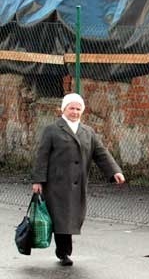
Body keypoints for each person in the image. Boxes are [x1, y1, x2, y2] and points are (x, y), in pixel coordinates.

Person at [32, 93, 125, 266]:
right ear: (63, 109)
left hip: (78, 184)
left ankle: (63, 251)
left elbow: (101, 153)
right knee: (61, 217)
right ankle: (64, 253)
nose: (75, 112)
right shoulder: (52, 130)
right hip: (56, 183)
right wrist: (38, 180)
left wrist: (114, 171)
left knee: (70, 217)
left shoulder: (87, 132)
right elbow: (41, 156)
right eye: (71, 108)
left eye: (78, 109)